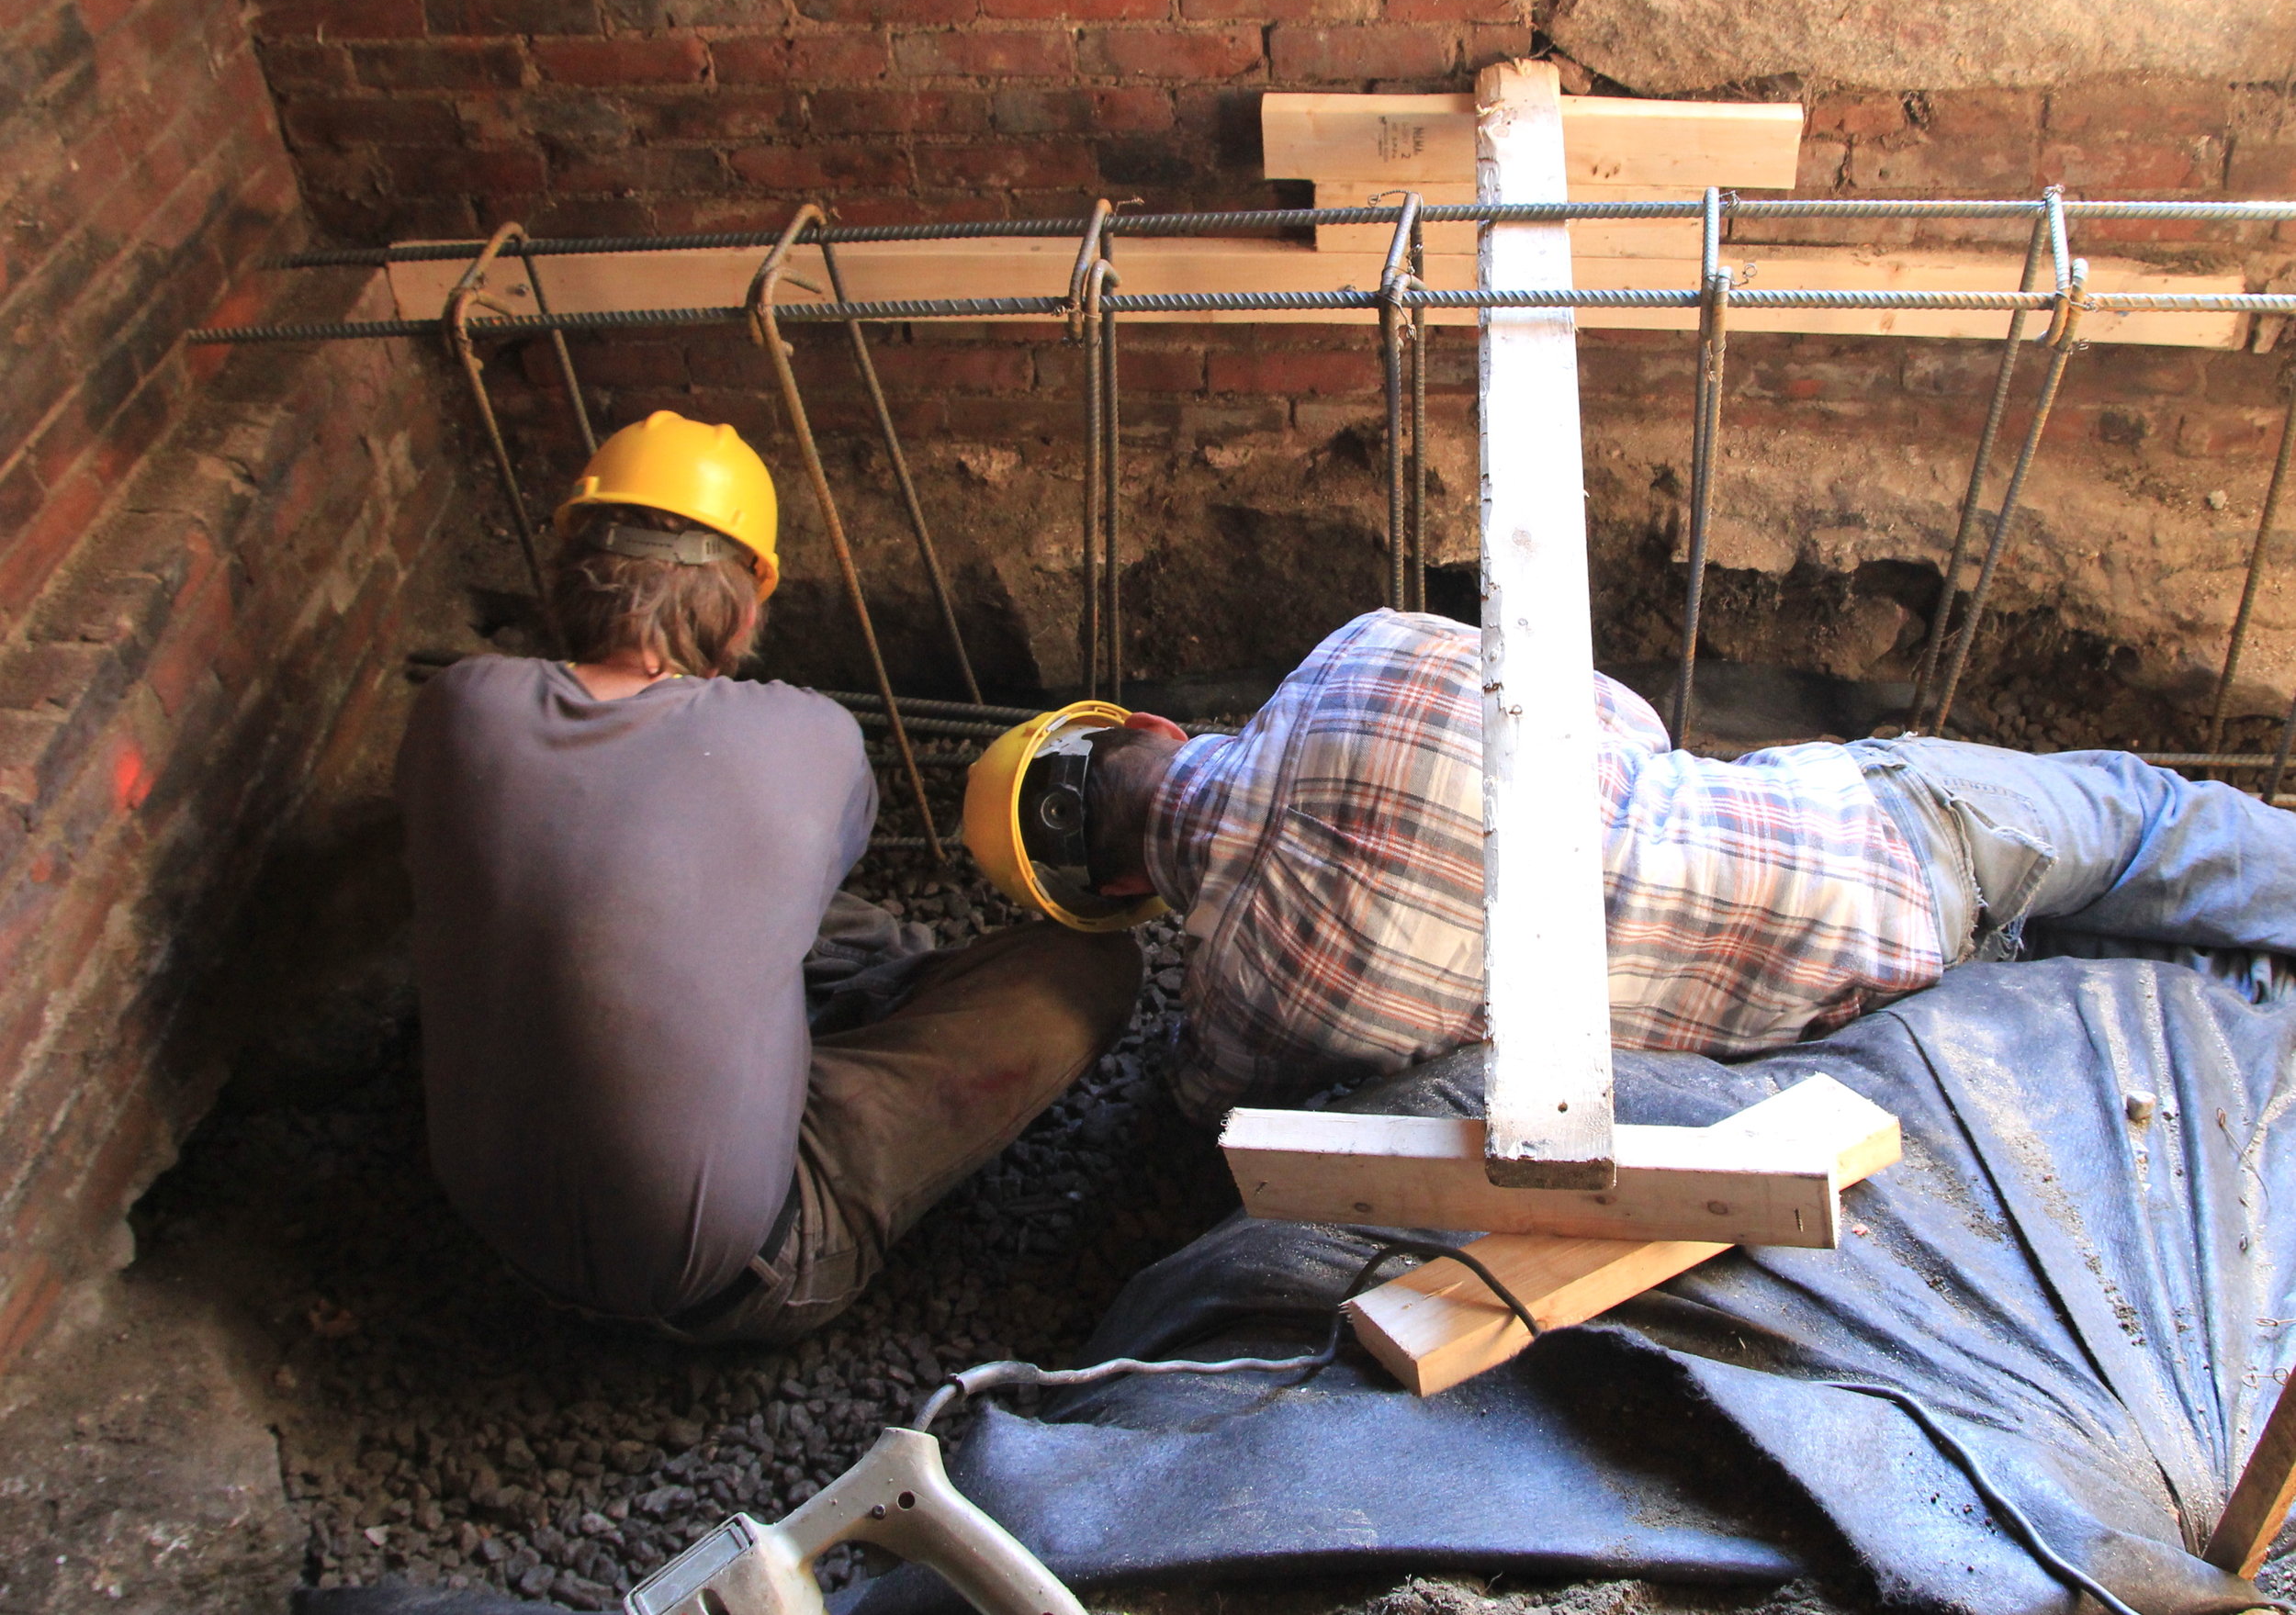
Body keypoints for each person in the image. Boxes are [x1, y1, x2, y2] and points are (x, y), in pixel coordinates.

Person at [397, 411, 1142, 1341]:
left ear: (566, 574)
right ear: (746, 606)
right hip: (739, 1273)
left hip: (500, 1229)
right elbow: (820, 867)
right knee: (1088, 971)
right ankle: (873, 1035)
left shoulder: (455, 707)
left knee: (723, 892)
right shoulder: (807, 733)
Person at [966, 607, 2296, 1122]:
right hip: (1883, 834)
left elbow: (1214, 1116)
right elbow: (1630, 724)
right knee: (2143, 818)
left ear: (1116, 898)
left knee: (2094, 978)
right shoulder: (1360, 652)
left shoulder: (1252, 998)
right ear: (1141, 722)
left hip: (1836, 1044)